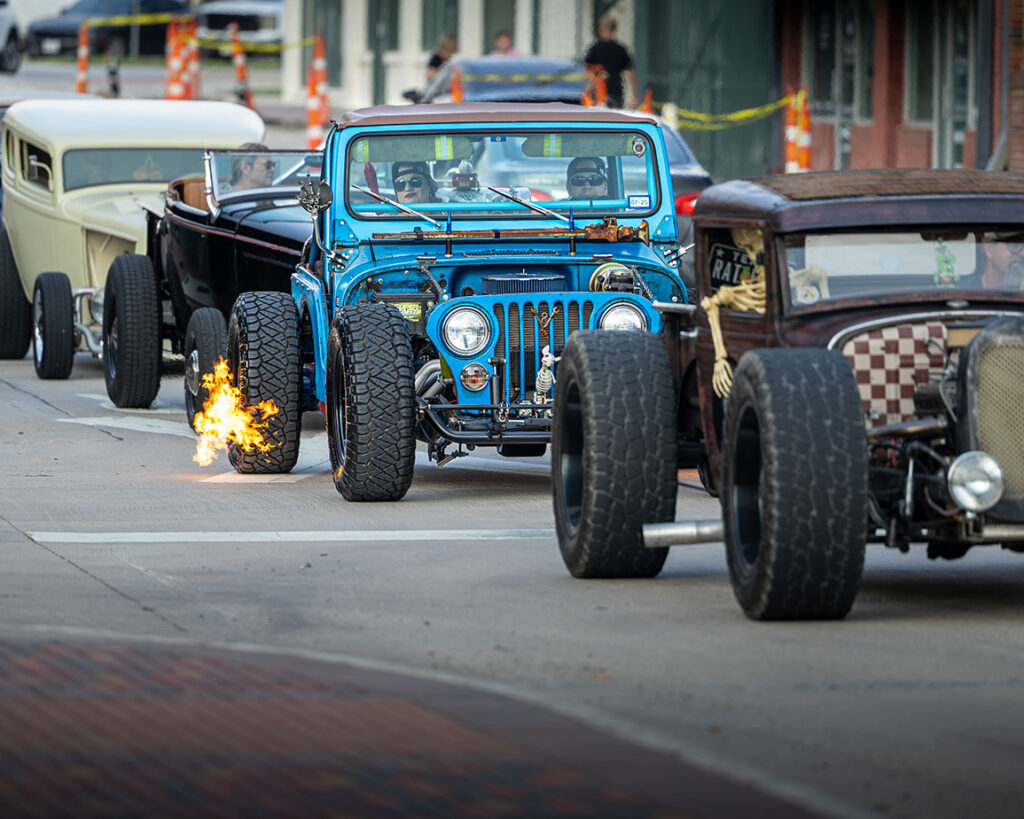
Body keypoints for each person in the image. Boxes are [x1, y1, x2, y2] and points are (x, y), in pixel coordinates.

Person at [583, 15, 638, 109]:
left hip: (597, 93)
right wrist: (634, 97)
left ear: (601, 29)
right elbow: (629, 74)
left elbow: (585, 71)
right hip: (616, 92)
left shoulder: (594, 49)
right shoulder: (621, 50)